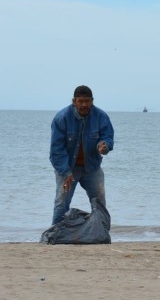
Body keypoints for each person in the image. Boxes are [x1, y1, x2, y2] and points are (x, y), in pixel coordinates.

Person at [49, 85, 114, 226]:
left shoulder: (101, 116)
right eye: (81, 101)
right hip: (67, 169)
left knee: (100, 202)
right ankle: (55, 235)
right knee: (61, 202)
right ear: (74, 101)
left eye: (88, 101)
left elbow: (107, 137)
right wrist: (66, 173)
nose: (84, 104)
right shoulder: (61, 118)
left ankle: (102, 233)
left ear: (92, 101)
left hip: (92, 168)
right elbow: (56, 150)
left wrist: (104, 146)